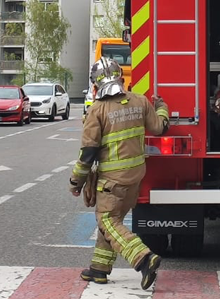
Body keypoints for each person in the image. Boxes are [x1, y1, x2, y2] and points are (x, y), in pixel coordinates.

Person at [68, 57, 170, 290]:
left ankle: (144, 259)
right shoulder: (140, 101)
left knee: (106, 220)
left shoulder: (97, 110)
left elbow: (88, 154)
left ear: (95, 86)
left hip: (112, 181)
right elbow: (160, 127)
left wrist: (76, 182)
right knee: (112, 222)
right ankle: (99, 270)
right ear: (121, 78)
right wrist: (162, 108)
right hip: (135, 177)